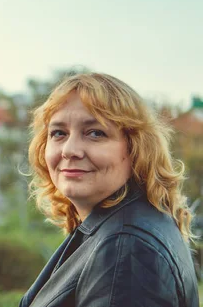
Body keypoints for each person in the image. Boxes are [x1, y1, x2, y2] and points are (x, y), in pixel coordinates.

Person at [19, 73, 199, 307]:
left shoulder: (126, 248)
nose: (69, 150)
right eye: (59, 133)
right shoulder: (124, 225)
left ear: (137, 149)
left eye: (95, 133)